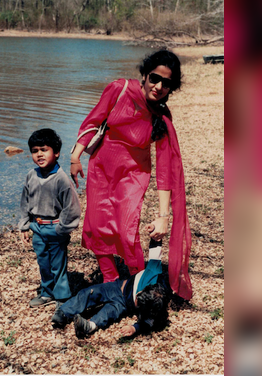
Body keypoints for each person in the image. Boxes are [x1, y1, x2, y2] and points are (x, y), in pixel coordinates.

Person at [70, 49, 193, 300]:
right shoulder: (119, 89)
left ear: (171, 88)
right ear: (145, 75)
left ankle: (137, 282)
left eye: (166, 84)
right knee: (96, 225)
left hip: (134, 175)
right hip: (101, 169)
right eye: (154, 78)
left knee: (126, 229)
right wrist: (75, 156)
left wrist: (163, 217)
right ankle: (109, 278)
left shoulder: (161, 117)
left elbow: (165, 171)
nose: (158, 87)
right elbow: (94, 120)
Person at [51, 237, 169, 339]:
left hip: (123, 305)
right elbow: (155, 249)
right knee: (89, 293)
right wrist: (155, 232)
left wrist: (134, 328)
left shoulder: (155, 308)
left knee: (108, 313)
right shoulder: (153, 272)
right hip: (117, 287)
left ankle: (88, 327)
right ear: (143, 290)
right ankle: (64, 312)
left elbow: (148, 323)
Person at [19, 129, 81, 307]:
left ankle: (62, 297)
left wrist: (62, 229)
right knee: (43, 262)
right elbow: (25, 201)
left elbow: (72, 207)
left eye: (44, 149)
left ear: (56, 152)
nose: (39, 154)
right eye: (35, 150)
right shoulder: (31, 175)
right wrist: (24, 225)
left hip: (55, 227)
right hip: (37, 227)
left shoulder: (61, 179)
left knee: (57, 264)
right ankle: (47, 293)